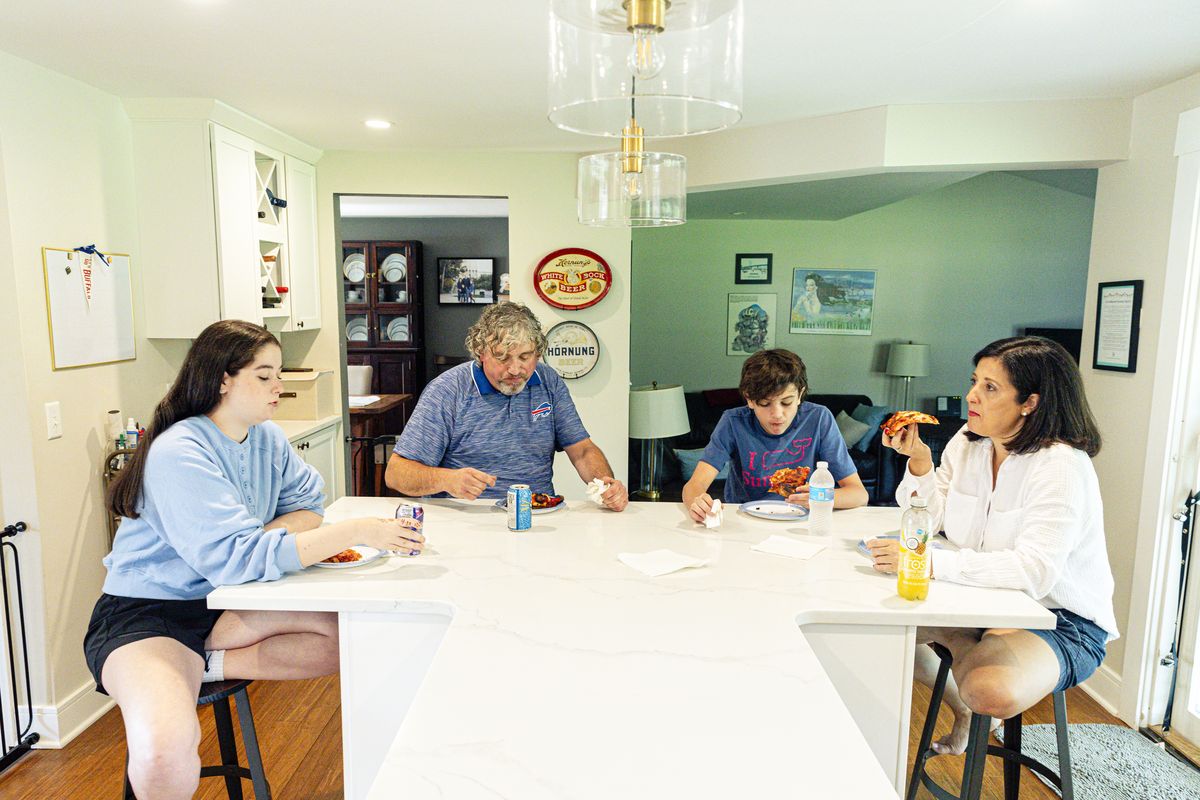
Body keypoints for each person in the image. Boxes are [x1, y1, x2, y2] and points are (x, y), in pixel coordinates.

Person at [85, 320, 424, 800]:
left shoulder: (265, 438)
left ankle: (203, 664)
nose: (279, 388)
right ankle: (180, 667)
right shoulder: (180, 450)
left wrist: (262, 540)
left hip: (225, 604)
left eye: (279, 374)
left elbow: (309, 500)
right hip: (151, 614)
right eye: (265, 376)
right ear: (223, 379)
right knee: (164, 748)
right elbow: (235, 561)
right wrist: (354, 531)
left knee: (348, 636)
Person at [868, 336, 1117, 755]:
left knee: (987, 692)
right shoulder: (968, 442)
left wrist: (930, 566)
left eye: (990, 387)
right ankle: (962, 643)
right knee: (871, 637)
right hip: (978, 597)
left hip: (1056, 617)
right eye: (974, 381)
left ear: (1030, 403)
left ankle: (958, 645)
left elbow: (1034, 571)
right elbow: (931, 522)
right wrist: (919, 462)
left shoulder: (1061, 466)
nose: (971, 395)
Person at [386, 302, 628, 510]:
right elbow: (397, 473)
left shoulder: (548, 382)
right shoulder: (448, 390)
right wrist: (446, 480)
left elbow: (582, 451)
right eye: (502, 357)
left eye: (525, 357)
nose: (515, 369)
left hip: (537, 511)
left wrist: (605, 485)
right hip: (468, 518)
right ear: (480, 353)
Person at [684, 349, 869, 523]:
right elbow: (693, 486)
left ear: (800, 395)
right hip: (745, 520)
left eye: (786, 402)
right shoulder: (733, 422)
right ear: (749, 399)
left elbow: (859, 494)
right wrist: (698, 502)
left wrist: (819, 497)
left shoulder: (819, 418)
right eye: (765, 404)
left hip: (802, 521)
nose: (777, 414)